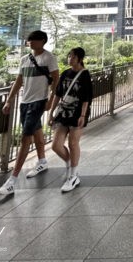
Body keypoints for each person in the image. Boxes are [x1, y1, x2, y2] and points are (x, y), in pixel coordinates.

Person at [0, 30, 59, 195]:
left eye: (33, 40)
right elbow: (18, 81)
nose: (29, 42)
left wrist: (51, 100)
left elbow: (56, 80)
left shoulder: (49, 58)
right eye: (28, 40)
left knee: (26, 138)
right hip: (25, 102)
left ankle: (12, 181)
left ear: (42, 41)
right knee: (37, 132)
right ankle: (42, 160)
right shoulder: (25, 59)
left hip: (39, 102)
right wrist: (9, 100)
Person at [48, 47, 93, 192]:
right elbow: (58, 94)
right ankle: (69, 162)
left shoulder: (85, 75)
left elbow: (87, 97)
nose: (69, 59)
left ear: (79, 59)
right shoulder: (65, 73)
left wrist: (82, 115)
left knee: (73, 143)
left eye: (72, 57)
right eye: (69, 56)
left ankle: (73, 175)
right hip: (63, 113)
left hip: (78, 112)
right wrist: (51, 112)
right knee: (56, 145)